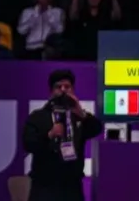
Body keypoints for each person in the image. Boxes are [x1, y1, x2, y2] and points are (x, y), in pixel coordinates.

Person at [22, 69, 102, 201]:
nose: (63, 90)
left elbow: (96, 129)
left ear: (73, 90)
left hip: (72, 186)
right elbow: (28, 144)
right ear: (51, 91)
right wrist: (49, 135)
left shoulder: (79, 117)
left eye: (67, 86)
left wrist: (81, 112)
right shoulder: (38, 116)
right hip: (44, 186)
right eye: (58, 87)